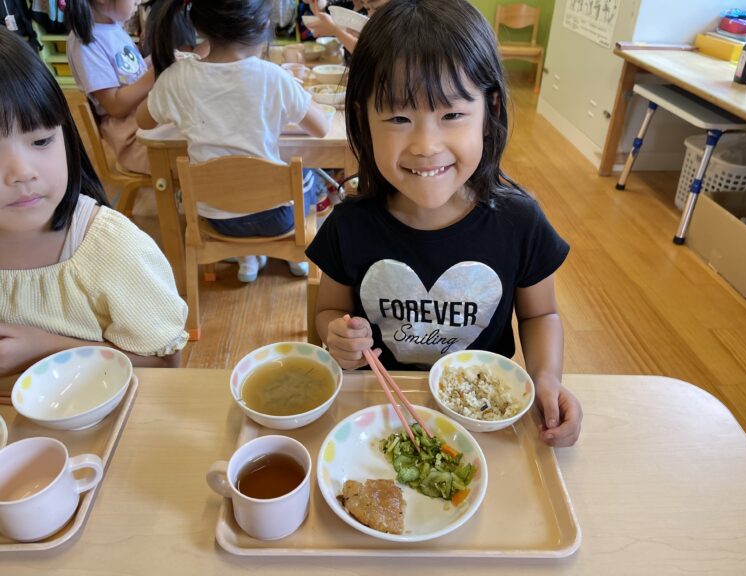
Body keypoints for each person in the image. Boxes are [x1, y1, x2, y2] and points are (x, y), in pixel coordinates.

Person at [306, 0, 582, 447]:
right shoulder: (349, 225)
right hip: (377, 416)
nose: (426, 145)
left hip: (483, 420)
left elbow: (541, 314)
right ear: (362, 119)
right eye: (398, 118)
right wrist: (336, 335)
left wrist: (546, 378)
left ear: (490, 111)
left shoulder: (519, 222)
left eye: (451, 115)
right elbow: (326, 312)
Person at [0, 27, 188, 382]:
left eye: (41, 141)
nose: (22, 172)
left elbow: (166, 364)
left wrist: (43, 347)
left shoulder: (111, 247)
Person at [137, 0, 331, 283]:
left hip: (216, 219)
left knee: (234, 188)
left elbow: (143, 121)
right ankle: (296, 256)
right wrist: (295, 94)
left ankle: (247, 259)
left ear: (201, 28)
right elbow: (321, 128)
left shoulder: (177, 78)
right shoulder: (274, 77)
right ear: (263, 27)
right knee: (309, 175)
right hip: (279, 219)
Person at [66, 0, 153, 174]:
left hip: (145, 119)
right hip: (133, 137)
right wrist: (154, 74)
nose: (139, 1)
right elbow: (115, 106)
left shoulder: (113, 27)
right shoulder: (86, 42)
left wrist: (157, 60)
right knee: (195, 151)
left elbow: (132, 75)